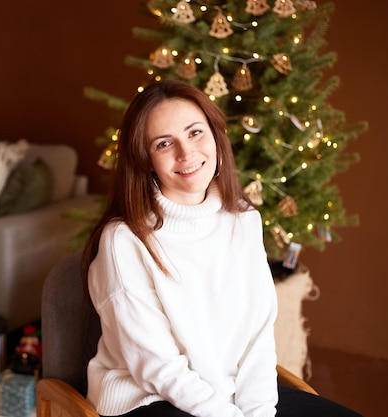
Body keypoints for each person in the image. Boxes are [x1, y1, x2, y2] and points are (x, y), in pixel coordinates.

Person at [80, 80, 363, 417]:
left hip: (231, 396)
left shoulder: (243, 221)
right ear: (145, 160)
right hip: (151, 398)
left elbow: (257, 339)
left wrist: (258, 412)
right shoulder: (124, 242)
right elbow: (156, 366)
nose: (186, 154)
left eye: (195, 132)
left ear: (215, 135)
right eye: (164, 143)